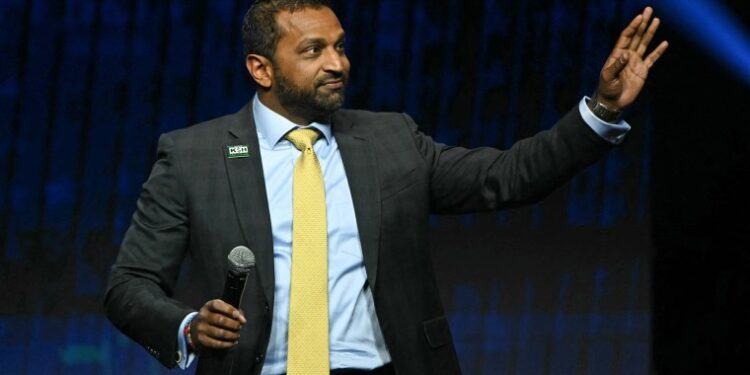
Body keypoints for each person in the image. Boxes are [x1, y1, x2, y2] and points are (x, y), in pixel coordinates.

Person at [103, 1, 668, 374]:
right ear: (261, 69)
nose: (338, 64)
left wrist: (600, 111)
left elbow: (508, 176)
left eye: (340, 46)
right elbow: (129, 286)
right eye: (313, 50)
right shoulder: (192, 154)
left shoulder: (391, 138)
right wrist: (187, 326)